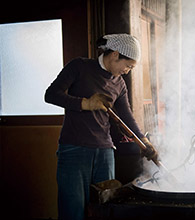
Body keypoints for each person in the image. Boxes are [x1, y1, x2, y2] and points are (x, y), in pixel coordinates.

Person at [44, 33, 158, 220]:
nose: (127, 71)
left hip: (105, 151)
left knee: (105, 208)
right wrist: (85, 104)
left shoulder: (119, 84)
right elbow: (51, 95)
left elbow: (126, 116)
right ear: (114, 54)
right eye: (128, 65)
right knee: (73, 210)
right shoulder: (79, 67)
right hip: (74, 148)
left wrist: (144, 142)